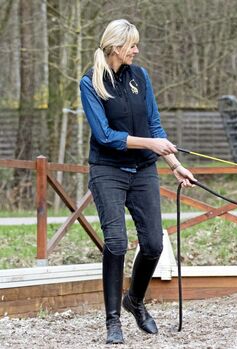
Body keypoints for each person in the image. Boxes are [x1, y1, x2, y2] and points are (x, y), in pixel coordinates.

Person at [80, 19, 195, 345]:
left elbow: (154, 125)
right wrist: (150, 145)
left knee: (154, 245)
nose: (136, 49)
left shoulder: (140, 77)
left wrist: (174, 164)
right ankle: (112, 320)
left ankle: (135, 300)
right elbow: (104, 136)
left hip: (143, 171)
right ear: (117, 47)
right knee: (116, 242)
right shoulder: (90, 82)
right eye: (132, 45)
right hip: (108, 172)